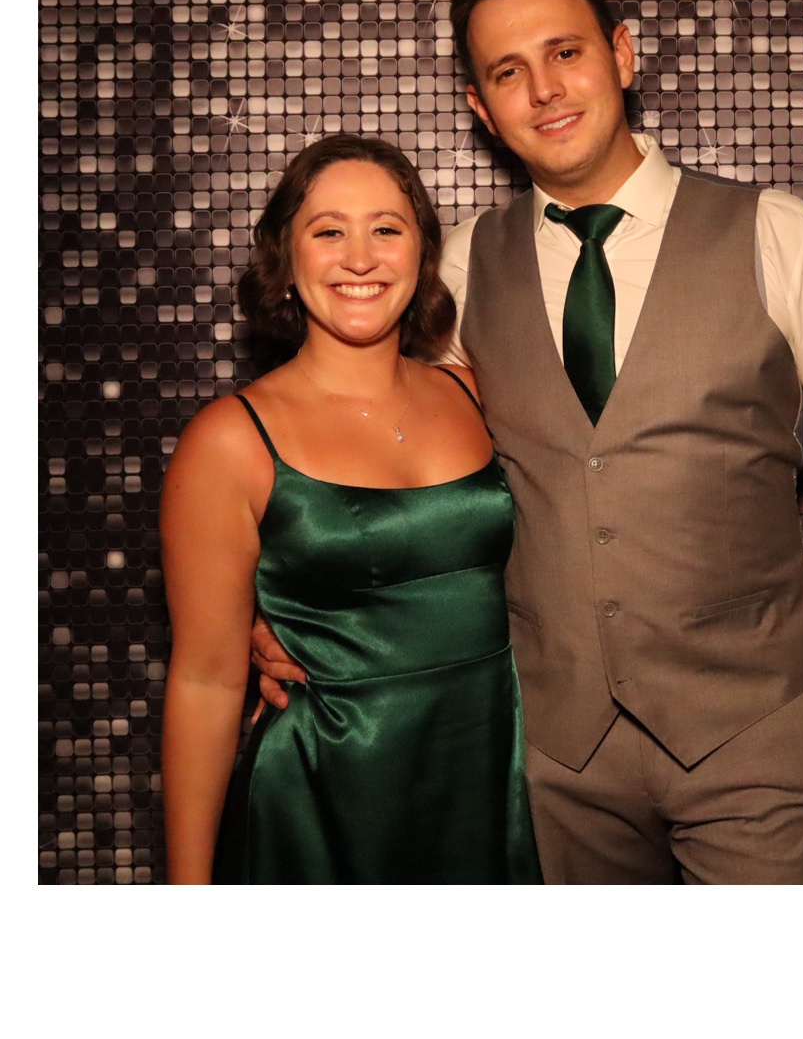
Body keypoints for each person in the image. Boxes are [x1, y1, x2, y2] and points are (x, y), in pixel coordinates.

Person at [255, 0, 803, 884]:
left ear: (621, 54)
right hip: (553, 761)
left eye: (565, 52)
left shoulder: (779, 235)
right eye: (508, 71)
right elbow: (380, 461)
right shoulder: (454, 268)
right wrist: (281, 607)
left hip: (760, 744)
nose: (544, 89)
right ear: (480, 108)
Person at [160, 132, 541, 884]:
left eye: (386, 230)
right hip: (324, 798)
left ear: (422, 256)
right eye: (329, 231)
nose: (360, 258)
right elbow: (204, 683)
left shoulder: (477, 392)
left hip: (489, 778)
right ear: (285, 258)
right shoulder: (230, 440)